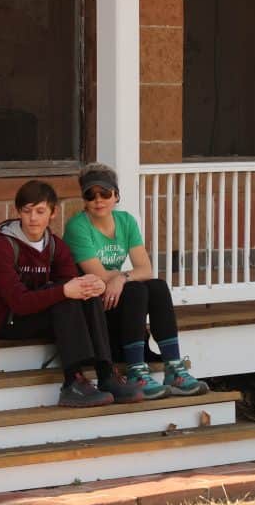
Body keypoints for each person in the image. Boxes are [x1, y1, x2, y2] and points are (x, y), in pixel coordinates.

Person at [0, 180, 141, 407]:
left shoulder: (55, 246)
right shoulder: (1, 247)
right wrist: (64, 291)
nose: (33, 218)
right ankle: (72, 382)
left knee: (85, 295)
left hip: (39, 312)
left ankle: (106, 374)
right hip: (7, 320)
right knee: (65, 298)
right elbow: (18, 303)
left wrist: (96, 286)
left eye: (40, 211)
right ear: (18, 213)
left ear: (53, 213)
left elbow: (73, 284)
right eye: (26, 211)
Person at [63, 163, 208, 399]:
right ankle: (135, 371)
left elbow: (146, 268)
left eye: (105, 194)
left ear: (116, 195)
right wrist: (124, 279)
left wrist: (121, 277)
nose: (98, 200)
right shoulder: (78, 227)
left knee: (157, 287)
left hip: (117, 295)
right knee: (136, 290)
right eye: (91, 195)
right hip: (93, 304)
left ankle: (174, 367)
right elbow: (98, 275)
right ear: (84, 199)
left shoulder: (126, 221)